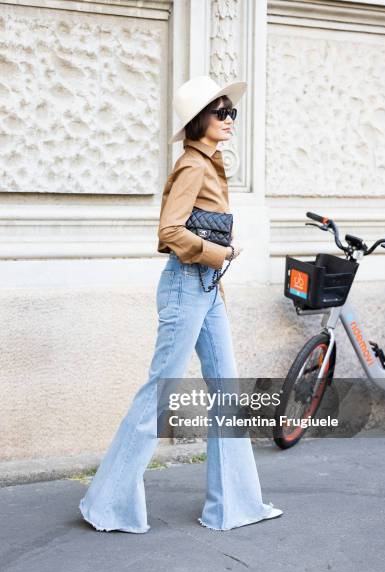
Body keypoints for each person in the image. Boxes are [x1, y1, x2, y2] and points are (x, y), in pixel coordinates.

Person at [78, 75, 283, 533]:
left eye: (232, 111)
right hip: (186, 286)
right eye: (221, 112)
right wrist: (221, 253)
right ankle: (108, 504)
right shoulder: (192, 165)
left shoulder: (211, 163)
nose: (230, 119)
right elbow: (169, 231)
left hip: (207, 291)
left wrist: (216, 270)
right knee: (159, 393)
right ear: (198, 122)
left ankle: (233, 505)